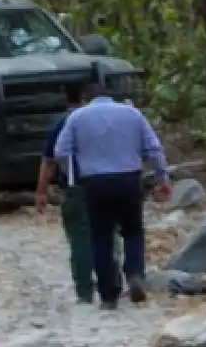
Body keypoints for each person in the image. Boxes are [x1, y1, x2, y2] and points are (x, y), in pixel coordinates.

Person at [53, 79, 170, 311]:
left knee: (101, 238)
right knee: (133, 230)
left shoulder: (77, 117)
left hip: (95, 182)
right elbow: (153, 148)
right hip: (128, 178)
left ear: (86, 99)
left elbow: (61, 151)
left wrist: (74, 175)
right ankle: (135, 273)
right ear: (110, 96)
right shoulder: (132, 114)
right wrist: (162, 176)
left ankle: (108, 294)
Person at [35, 83, 94, 304]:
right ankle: (112, 282)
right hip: (104, 183)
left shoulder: (62, 124)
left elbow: (49, 160)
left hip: (75, 187)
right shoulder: (101, 120)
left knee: (79, 239)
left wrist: (41, 190)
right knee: (107, 235)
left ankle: (85, 290)